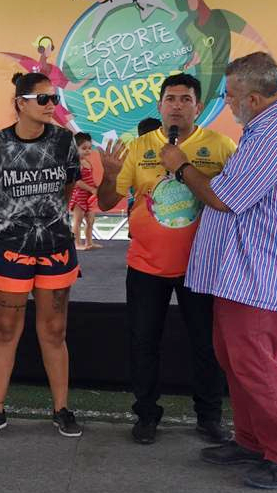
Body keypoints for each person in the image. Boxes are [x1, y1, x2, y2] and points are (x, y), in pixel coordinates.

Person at [159, 52, 277, 489]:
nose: (226, 102)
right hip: (244, 271)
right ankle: (251, 442)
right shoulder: (267, 126)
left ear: (253, 97)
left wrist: (180, 166)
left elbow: (224, 198)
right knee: (235, 358)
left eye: (230, 95)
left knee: (255, 364)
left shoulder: (276, 135)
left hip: (261, 273)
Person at [97, 73, 235, 446]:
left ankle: (209, 416)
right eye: (170, 98)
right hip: (146, 266)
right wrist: (109, 177)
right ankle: (146, 414)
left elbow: (234, 201)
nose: (176, 105)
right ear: (159, 106)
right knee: (143, 342)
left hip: (202, 267)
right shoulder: (138, 147)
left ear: (198, 106)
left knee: (206, 344)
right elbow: (107, 201)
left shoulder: (221, 146)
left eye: (185, 99)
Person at [0, 72, 83, 439]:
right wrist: (15, 222)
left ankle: (62, 409)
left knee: (55, 330)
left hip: (56, 247)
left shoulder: (65, 142)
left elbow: (67, 190)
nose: (52, 105)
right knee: (5, 330)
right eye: (43, 99)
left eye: (54, 99)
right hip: (7, 248)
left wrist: (44, 220)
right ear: (20, 103)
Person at [68, 132, 100, 251]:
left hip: (89, 196)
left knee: (90, 220)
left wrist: (95, 188)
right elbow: (77, 182)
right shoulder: (75, 163)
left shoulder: (87, 162)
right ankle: (76, 243)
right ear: (74, 148)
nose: (87, 151)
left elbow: (89, 179)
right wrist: (91, 189)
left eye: (89, 148)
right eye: (83, 148)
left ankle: (89, 242)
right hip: (78, 195)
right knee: (78, 220)